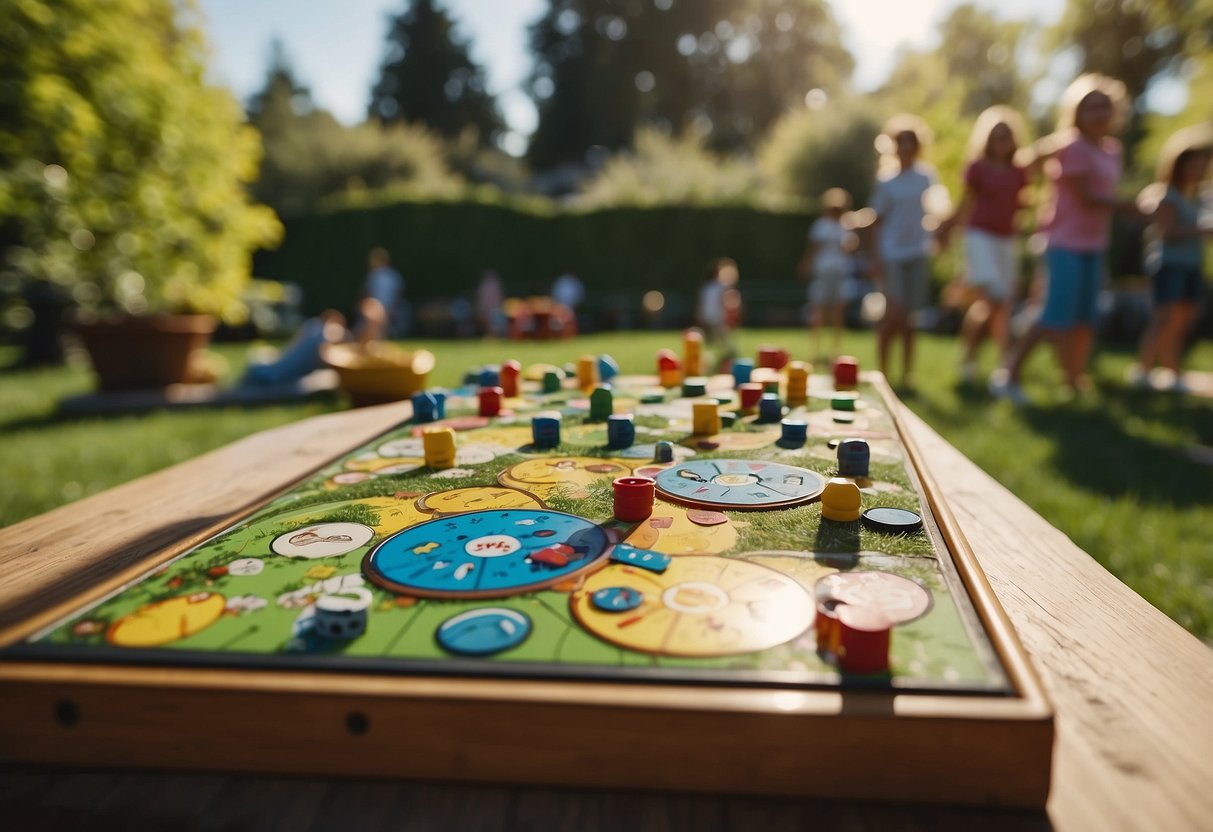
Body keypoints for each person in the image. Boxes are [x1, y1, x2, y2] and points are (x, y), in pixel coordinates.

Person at [991, 74, 1136, 404]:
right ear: (1077, 113)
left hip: (1095, 243)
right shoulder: (1071, 147)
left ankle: (1073, 378)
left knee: (1086, 316)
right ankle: (1008, 375)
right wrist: (1132, 207)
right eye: (1090, 107)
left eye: (1104, 106)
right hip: (1063, 241)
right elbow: (1088, 197)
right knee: (1053, 314)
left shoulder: (1113, 150)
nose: (1098, 113)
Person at [938, 106, 1034, 384]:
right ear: (987, 140)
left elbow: (1019, 204)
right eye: (996, 137)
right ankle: (1006, 365)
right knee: (995, 298)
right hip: (979, 237)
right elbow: (965, 204)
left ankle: (972, 359)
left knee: (996, 304)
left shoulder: (1019, 171)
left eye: (1006, 137)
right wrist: (945, 230)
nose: (1001, 142)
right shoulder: (977, 168)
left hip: (1006, 240)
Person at [1129, 124, 1213, 393]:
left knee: (1182, 320)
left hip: (1190, 264)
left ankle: (1172, 370)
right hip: (1168, 264)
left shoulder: (1198, 196)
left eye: (1204, 163)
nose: (1200, 168)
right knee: (1164, 319)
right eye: (1195, 163)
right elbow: (1166, 232)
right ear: (1180, 164)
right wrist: (1201, 230)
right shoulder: (1168, 195)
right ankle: (1142, 370)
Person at [869, 114, 941, 389]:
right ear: (894, 145)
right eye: (902, 141)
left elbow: (935, 210)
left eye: (911, 141)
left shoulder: (926, 177)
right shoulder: (886, 181)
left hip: (918, 252)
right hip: (892, 253)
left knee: (911, 318)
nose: (907, 146)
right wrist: (876, 257)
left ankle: (907, 374)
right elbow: (878, 221)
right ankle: (883, 373)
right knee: (895, 312)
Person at [801, 188, 857, 360]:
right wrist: (806, 264)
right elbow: (814, 248)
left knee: (838, 311)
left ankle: (836, 349)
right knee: (819, 309)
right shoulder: (822, 225)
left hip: (840, 272)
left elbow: (849, 249)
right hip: (824, 272)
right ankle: (816, 349)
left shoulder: (846, 226)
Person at [241, 309, 348, 387]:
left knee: (264, 365)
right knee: (269, 369)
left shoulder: (312, 326)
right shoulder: (325, 330)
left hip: (285, 366)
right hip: (283, 372)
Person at [697, 257, 740, 370]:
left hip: (709, 317)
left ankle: (720, 361)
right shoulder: (722, 287)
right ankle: (725, 361)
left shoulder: (707, 287)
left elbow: (701, 304)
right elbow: (728, 303)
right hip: (718, 318)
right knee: (723, 342)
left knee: (716, 342)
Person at [356, 246, 404, 343]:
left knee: (371, 310)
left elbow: (366, 296)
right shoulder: (395, 276)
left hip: (380, 311)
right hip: (389, 312)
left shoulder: (373, 275)